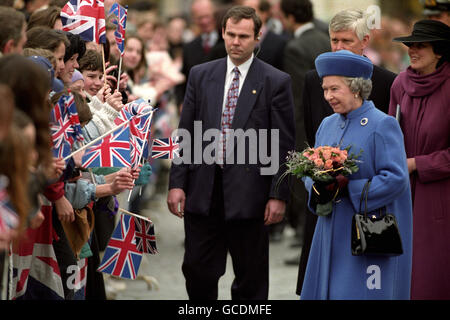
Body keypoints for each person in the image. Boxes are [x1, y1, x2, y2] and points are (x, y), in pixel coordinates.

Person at [166, 5, 295, 300]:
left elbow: (284, 144)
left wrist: (279, 194)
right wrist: (176, 183)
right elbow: (186, 133)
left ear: (257, 38)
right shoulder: (201, 75)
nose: (236, 42)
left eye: (243, 36)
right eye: (231, 35)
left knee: (250, 279)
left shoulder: (275, 81)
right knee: (198, 270)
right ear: (222, 33)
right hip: (204, 191)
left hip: (251, 195)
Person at [296, 8, 397, 296]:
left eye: (346, 41)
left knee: (363, 287)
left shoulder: (387, 83)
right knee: (321, 282)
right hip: (325, 204)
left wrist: (351, 185)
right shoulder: (314, 80)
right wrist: (315, 180)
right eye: (334, 41)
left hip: (369, 211)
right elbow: (308, 139)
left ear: (365, 41)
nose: (339, 48)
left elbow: (393, 158)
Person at [388, 19, 450, 300]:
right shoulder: (400, 83)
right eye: (410, 45)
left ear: (439, 51)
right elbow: (390, 134)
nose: (412, 51)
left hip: (441, 196)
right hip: (402, 192)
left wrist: (418, 164)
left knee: (432, 276)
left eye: (420, 46)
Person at [279, 0, 330, 250]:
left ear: (289, 17)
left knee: (304, 174)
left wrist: (295, 129)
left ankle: (303, 233)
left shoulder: (295, 47)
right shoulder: (324, 38)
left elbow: (298, 95)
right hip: (332, 116)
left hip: (306, 120)